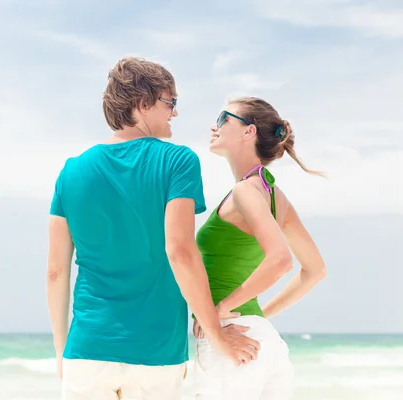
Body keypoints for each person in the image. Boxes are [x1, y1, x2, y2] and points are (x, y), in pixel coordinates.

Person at [46, 57, 260, 400]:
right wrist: (215, 332)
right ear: (142, 103)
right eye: (170, 102)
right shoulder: (178, 161)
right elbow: (180, 251)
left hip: (85, 349)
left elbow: (57, 272)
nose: (174, 113)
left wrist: (61, 350)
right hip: (155, 352)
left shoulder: (71, 172)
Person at [191, 97, 328, 399]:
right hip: (263, 341)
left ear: (248, 132)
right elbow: (315, 270)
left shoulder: (245, 191)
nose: (214, 126)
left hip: (232, 341)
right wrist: (259, 317)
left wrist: (222, 310)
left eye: (223, 118)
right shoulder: (276, 197)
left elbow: (281, 260)